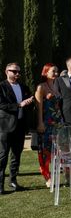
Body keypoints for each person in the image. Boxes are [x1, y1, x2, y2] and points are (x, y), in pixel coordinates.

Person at [0, 63, 35, 194]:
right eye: (14, 71)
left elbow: (28, 104)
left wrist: (30, 102)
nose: (17, 74)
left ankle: (13, 181)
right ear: (6, 71)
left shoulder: (24, 87)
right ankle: (0, 186)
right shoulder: (1, 86)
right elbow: (2, 104)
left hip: (20, 125)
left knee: (16, 155)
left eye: (18, 72)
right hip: (5, 126)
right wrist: (19, 105)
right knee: (2, 156)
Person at [34, 64, 63, 188]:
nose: (56, 73)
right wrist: (40, 123)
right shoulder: (41, 87)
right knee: (46, 151)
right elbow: (39, 107)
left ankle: (57, 175)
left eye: (57, 71)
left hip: (58, 122)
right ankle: (47, 176)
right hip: (46, 122)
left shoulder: (56, 86)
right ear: (45, 72)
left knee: (58, 150)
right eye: (53, 71)